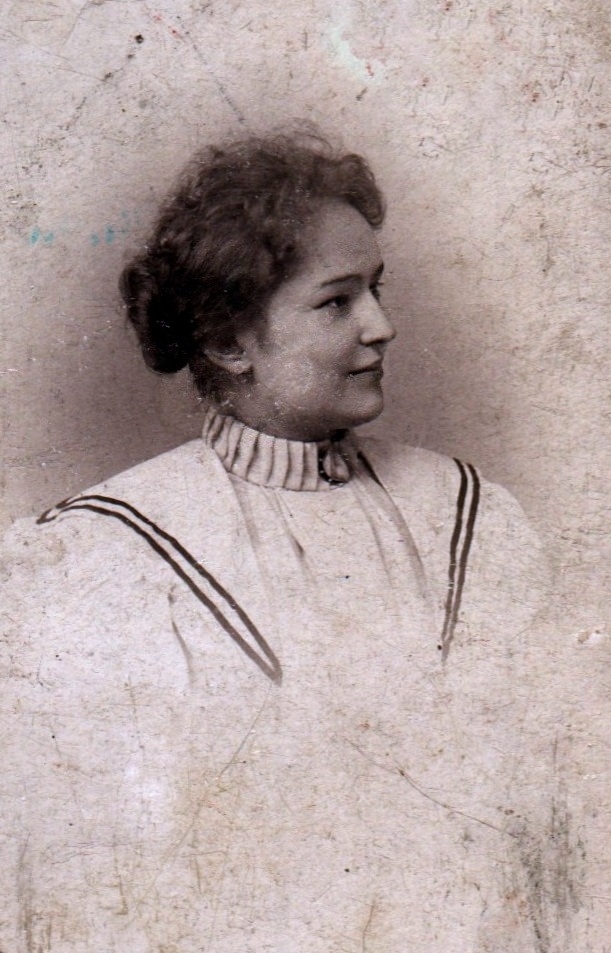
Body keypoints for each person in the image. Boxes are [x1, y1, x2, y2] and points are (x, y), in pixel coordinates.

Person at [1, 131, 554, 952]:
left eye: (376, 289)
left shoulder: (466, 512)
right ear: (229, 342)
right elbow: (86, 884)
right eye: (336, 302)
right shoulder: (107, 555)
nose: (381, 326)